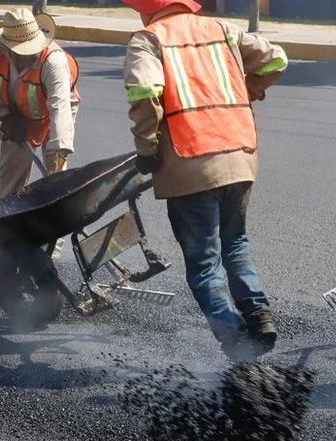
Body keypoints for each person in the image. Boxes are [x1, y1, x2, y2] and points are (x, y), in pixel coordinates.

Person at [121, 0, 287, 360]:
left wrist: (147, 147)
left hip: (190, 161)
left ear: (147, 9)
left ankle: (234, 336)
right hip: (239, 154)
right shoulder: (222, 29)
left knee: (203, 261)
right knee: (235, 241)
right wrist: (249, 89)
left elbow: (144, 92)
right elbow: (276, 60)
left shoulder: (149, 39)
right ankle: (259, 315)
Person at [0, 8, 80, 199]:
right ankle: (8, 211)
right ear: (7, 47)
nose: (24, 56)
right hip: (17, 113)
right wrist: (5, 116)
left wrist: (58, 155)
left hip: (54, 111)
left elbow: (60, 110)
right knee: (11, 173)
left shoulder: (53, 62)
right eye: (18, 51)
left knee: (55, 173)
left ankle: (56, 204)